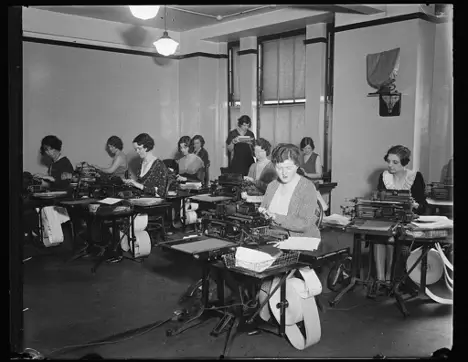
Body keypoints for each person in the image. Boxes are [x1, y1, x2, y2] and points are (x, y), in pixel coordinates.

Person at [373, 145, 428, 286]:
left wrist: (414, 205)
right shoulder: (384, 177)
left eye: (395, 162)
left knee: (392, 238)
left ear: (404, 163)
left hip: (408, 220)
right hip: (388, 218)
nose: (390, 165)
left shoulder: (415, 177)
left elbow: (422, 205)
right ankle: (381, 280)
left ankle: (390, 279)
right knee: (379, 236)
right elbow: (381, 199)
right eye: (388, 161)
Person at [259, 143, 320, 238]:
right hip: (275, 237)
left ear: (297, 166)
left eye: (288, 168)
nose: (284, 173)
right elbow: (263, 211)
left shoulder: (307, 187)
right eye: (279, 168)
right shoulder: (272, 186)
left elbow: (304, 224)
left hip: (301, 240)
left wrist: (275, 217)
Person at [123, 133, 170, 198]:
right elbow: (142, 185)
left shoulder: (159, 165)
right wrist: (132, 183)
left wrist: (138, 185)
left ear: (147, 147)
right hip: (142, 200)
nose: (137, 151)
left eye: (139, 148)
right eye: (135, 149)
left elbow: (161, 193)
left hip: (153, 203)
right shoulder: (141, 163)